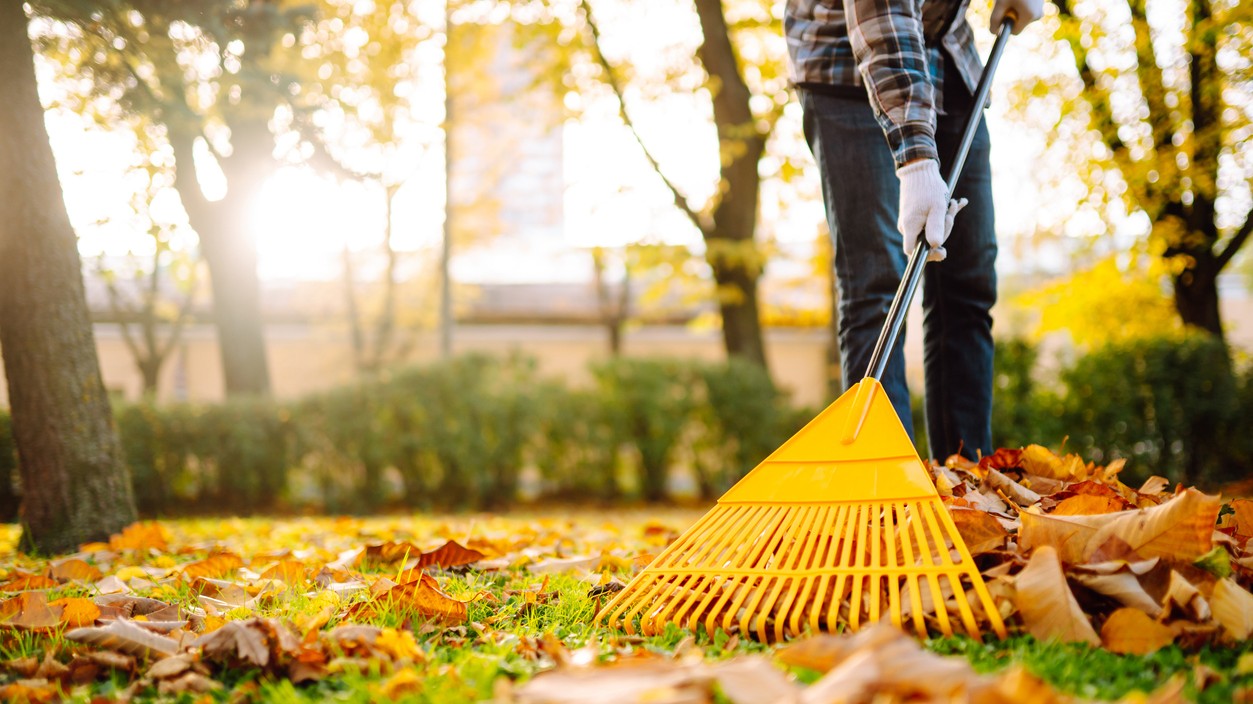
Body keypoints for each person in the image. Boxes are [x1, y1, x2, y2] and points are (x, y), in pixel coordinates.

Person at [786, 0, 1042, 460]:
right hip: (845, 61)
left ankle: (968, 484)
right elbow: (883, 15)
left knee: (969, 282)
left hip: (947, 55)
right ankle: (885, 487)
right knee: (877, 286)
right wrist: (917, 161)